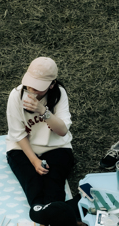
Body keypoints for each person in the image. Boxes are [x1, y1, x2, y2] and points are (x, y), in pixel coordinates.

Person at [5, 57, 74, 208]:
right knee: (33, 185)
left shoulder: (59, 94)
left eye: (37, 87)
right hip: (22, 148)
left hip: (56, 146)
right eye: (29, 84)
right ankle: (39, 214)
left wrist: (43, 111)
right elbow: (17, 134)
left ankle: (55, 218)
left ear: (51, 85)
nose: (31, 90)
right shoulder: (16, 95)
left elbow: (62, 131)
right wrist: (34, 161)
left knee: (54, 186)